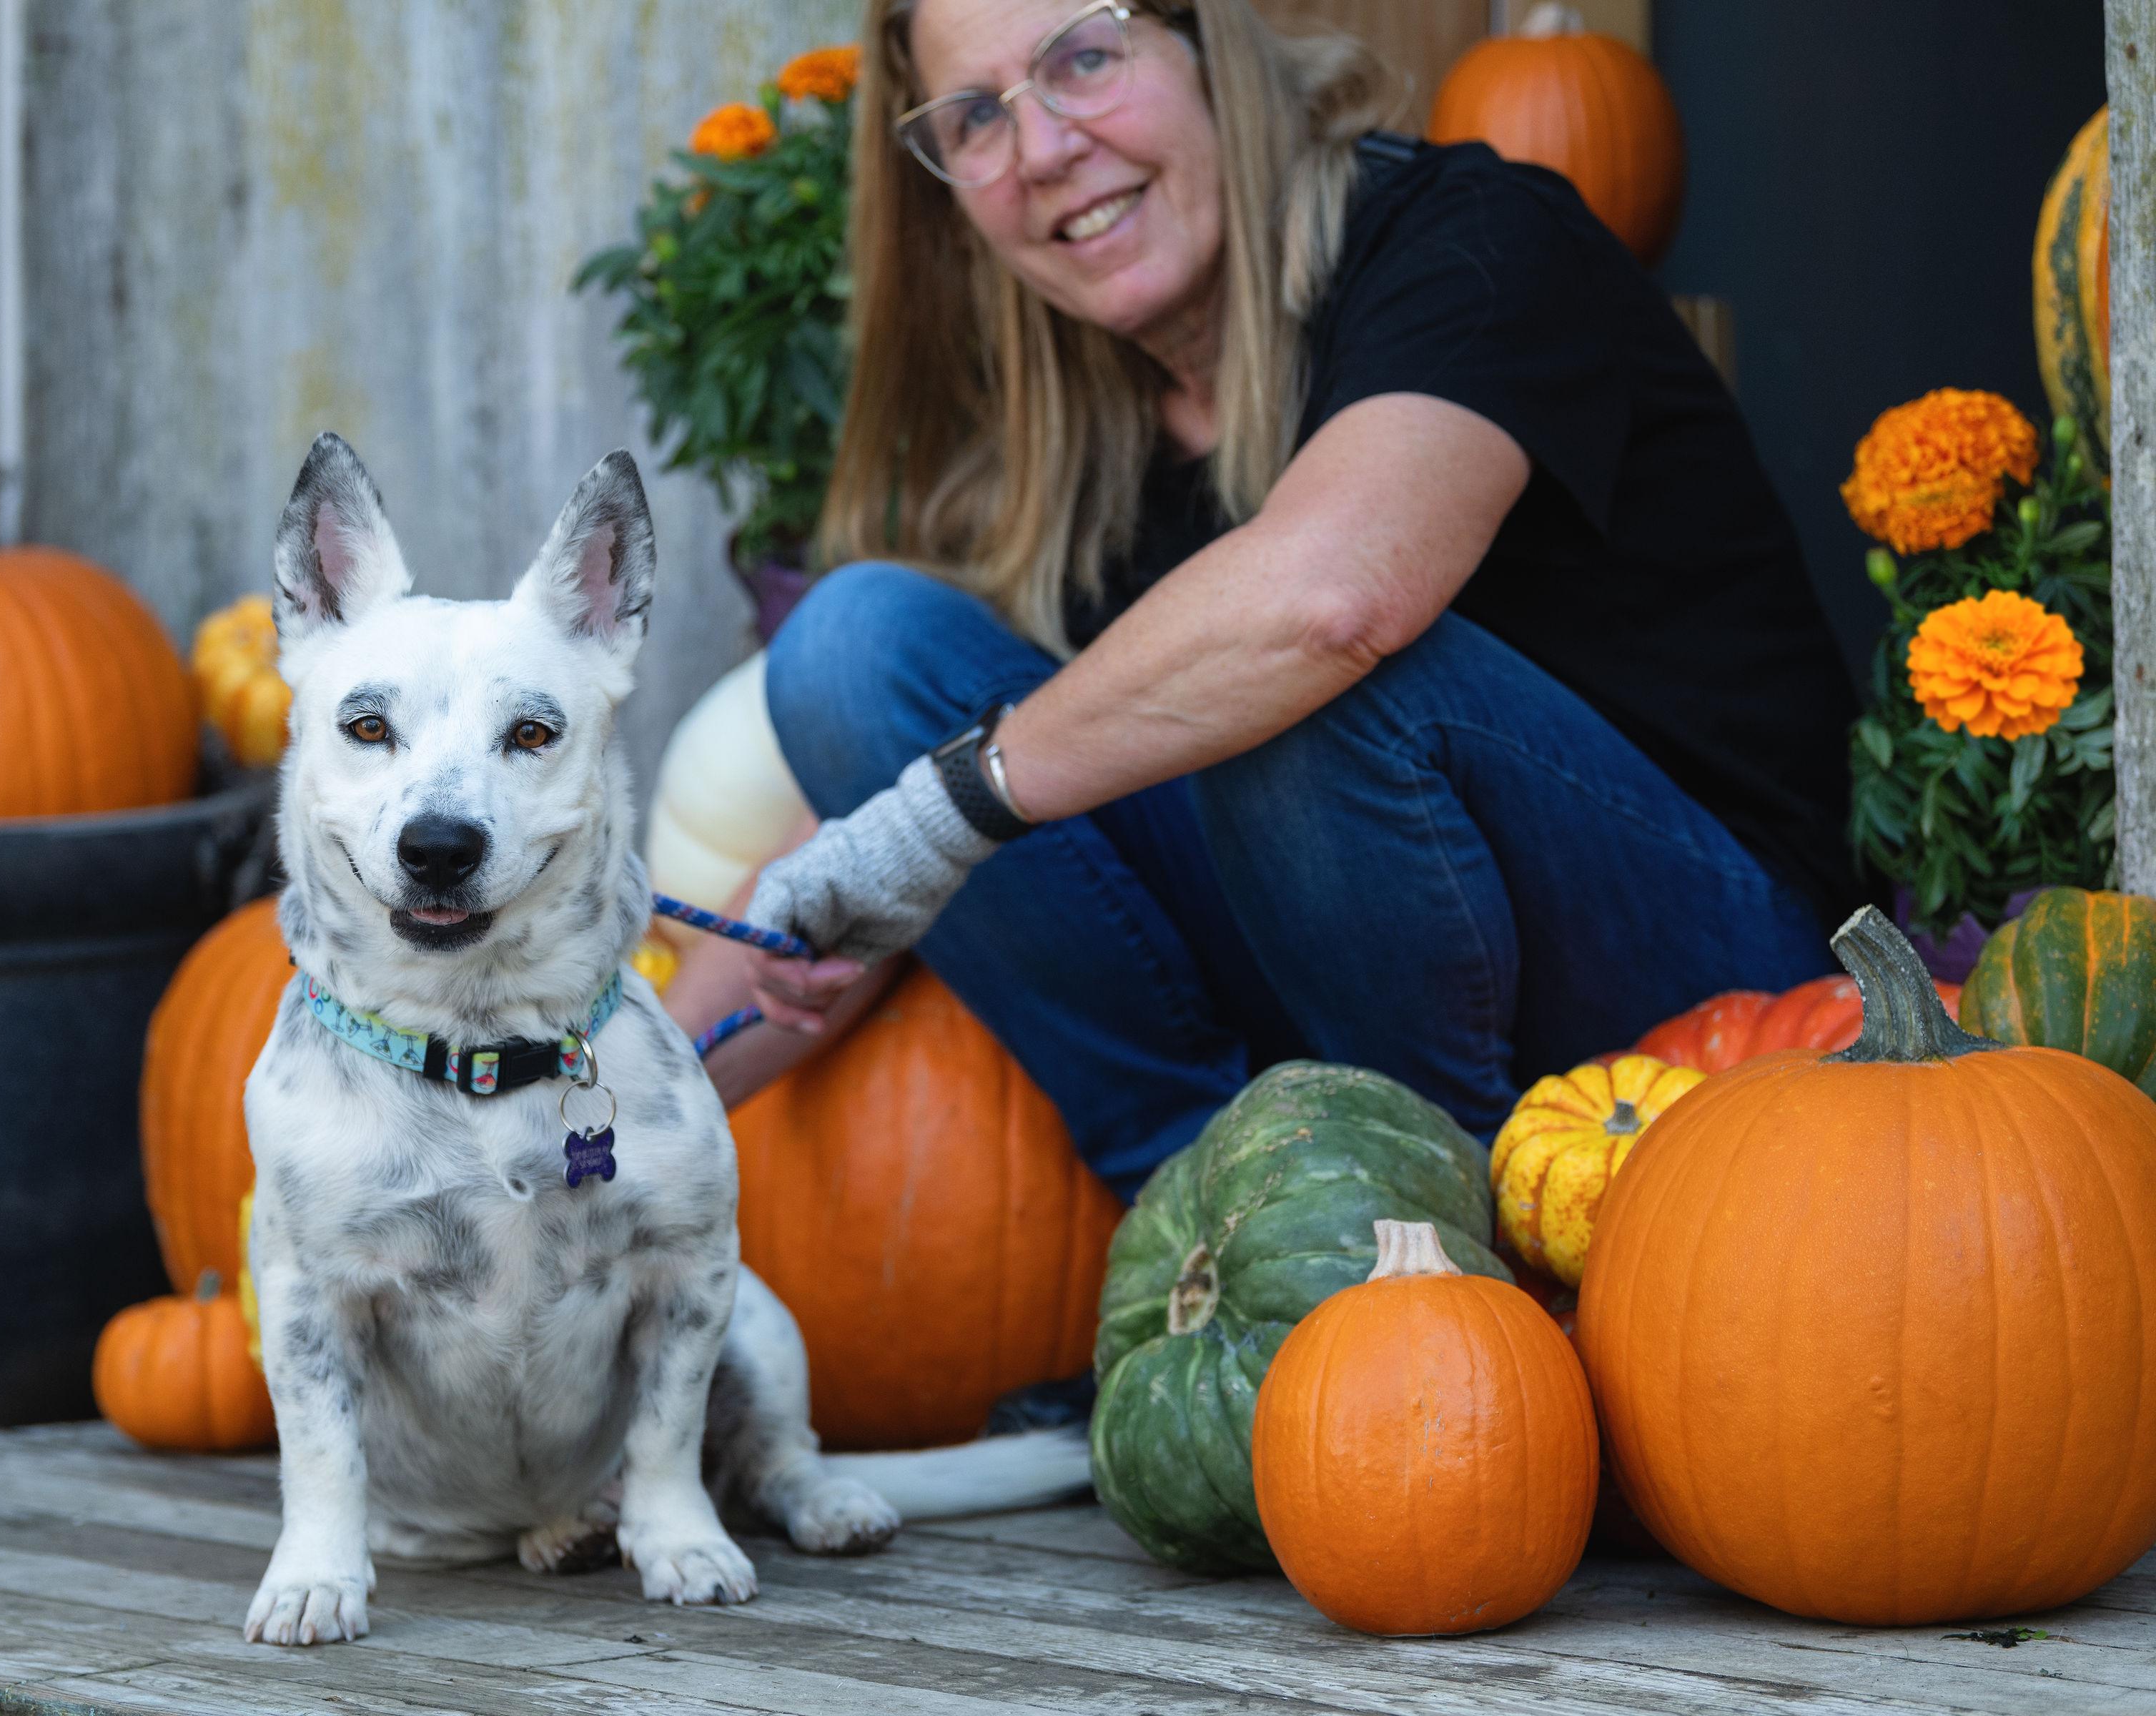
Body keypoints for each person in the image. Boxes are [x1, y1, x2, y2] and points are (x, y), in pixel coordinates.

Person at [692, 0, 1861, 1202]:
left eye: (1084, 59)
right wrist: (603, 1103)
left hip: (1726, 992)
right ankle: (1216, 1232)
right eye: (977, 116)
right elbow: (903, 815)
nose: (1041, 149)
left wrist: (936, 815)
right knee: (854, 650)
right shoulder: (1102, 444)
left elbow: (1329, 604)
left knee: (1294, 688)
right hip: (1371, 989)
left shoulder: (1475, 242)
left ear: (1206, 45)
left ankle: (1430, 1253)